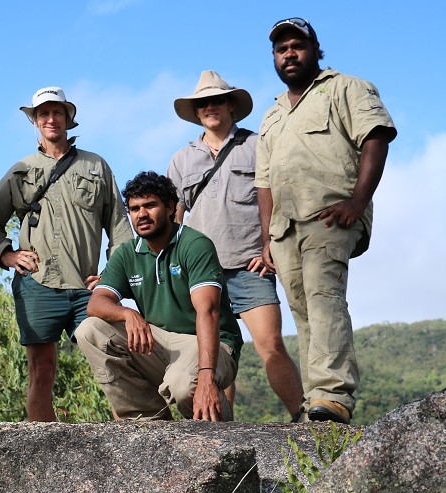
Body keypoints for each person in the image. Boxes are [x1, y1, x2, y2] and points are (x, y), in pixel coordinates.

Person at [256, 18, 397, 424]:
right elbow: (263, 181)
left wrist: (357, 201)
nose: (289, 54)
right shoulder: (272, 115)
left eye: (297, 46)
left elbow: (375, 137)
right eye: (281, 49)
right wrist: (266, 237)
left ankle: (334, 395)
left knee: (324, 298)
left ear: (317, 50)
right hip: (285, 229)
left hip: (330, 214)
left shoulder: (346, 87)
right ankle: (315, 399)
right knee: (302, 311)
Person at [0, 87, 133, 421]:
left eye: (58, 113)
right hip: (38, 284)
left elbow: (119, 227)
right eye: (44, 114)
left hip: (88, 287)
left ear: (68, 118)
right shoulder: (20, 170)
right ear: (35, 121)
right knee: (41, 369)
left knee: (111, 365)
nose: (51, 119)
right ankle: (41, 454)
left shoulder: (96, 166)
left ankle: (128, 445)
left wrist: (112, 278)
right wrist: (7, 256)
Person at [167, 70, 303, 420]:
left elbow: (283, 199)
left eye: (216, 100)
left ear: (230, 105)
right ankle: (222, 437)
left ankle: (308, 424)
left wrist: (271, 246)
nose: (210, 107)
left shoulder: (258, 145)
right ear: (196, 112)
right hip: (199, 274)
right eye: (203, 103)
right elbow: (174, 220)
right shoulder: (182, 159)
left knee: (271, 346)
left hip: (249, 266)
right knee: (215, 355)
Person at [75, 171, 243, 421]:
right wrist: (127, 313)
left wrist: (206, 376)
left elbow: (208, 312)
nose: (141, 214)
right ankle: (148, 424)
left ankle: (221, 443)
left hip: (210, 343)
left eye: (150, 205)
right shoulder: (127, 254)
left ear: (170, 208)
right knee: (90, 330)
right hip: (161, 344)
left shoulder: (194, 244)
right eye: (134, 209)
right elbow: (96, 303)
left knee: (186, 386)